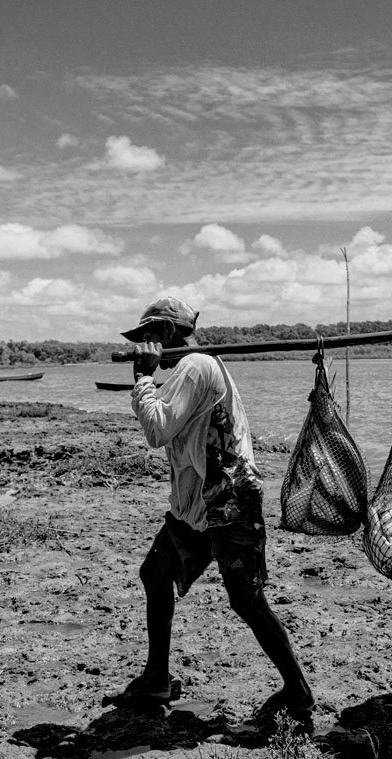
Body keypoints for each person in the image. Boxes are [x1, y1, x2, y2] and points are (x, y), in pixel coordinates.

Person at [111, 296, 314, 728]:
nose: (143, 346)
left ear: (165, 333)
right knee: (155, 571)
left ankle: (297, 692)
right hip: (201, 502)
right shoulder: (197, 366)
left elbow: (157, 429)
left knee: (246, 598)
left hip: (228, 500)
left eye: (147, 337)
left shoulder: (197, 365)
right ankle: (157, 677)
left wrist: (143, 378)